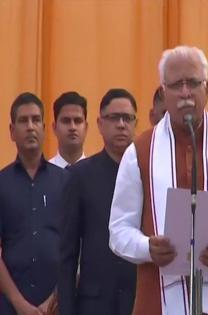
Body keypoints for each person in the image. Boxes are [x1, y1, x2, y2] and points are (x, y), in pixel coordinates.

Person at [108, 45, 208, 315]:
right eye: (176, 85)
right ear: (163, 92)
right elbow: (118, 231)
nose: (185, 93)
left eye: (193, 83)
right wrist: (148, 248)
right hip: (155, 302)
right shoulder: (140, 151)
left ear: (207, 88)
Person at [58, 89, 138, 315]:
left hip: (139, 301)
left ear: (136, 123)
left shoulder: (147, 175)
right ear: (100, 124)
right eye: (114, 118)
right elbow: (68, 254)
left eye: (128, 118)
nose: (121, 124)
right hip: (94, 304)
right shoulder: (80, 176)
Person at [0, 92, 68, 315]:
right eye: (23, 121)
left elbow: (76, 248)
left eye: (36, 120)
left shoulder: (66, 181)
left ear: (45, 128)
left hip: (57, 306)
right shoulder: (2, 183)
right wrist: (18, 303)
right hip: (10, 307)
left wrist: (55, 298)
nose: (30, 127)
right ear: (11, 131)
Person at [49, 91, 88, 168]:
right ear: (54, 127)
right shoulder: (43, 176)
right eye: (66, 121)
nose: (72, 127)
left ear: (86, 127)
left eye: (77, 121)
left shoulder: (96, 174)